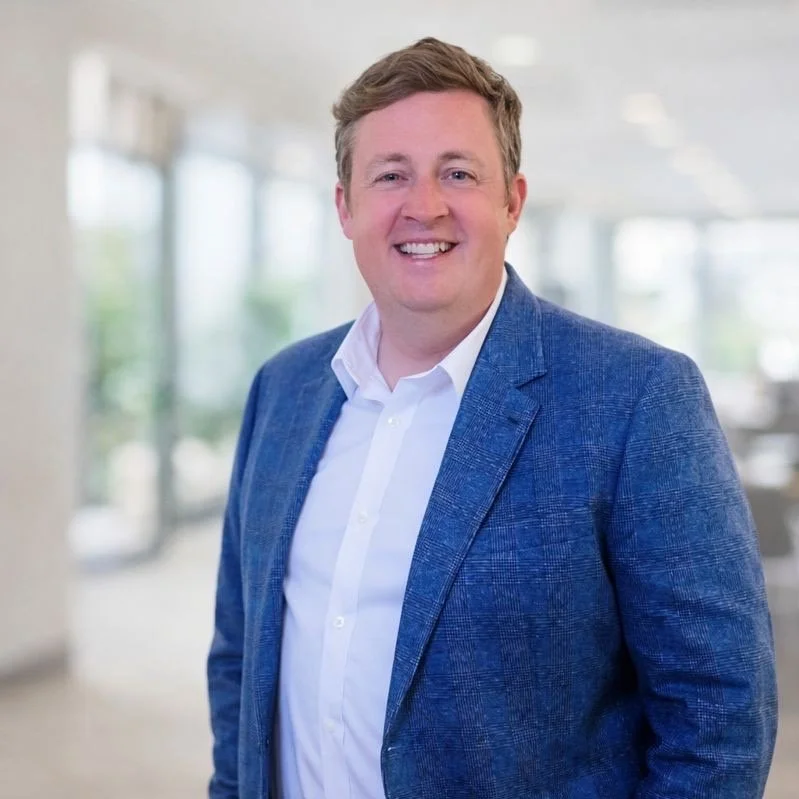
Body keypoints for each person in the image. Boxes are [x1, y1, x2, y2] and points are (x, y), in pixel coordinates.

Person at [207, 37, 778, 799]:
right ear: (345, 206)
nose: (424, 205)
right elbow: (239, 660)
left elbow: (718, 716)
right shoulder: (283, 391)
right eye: (390, 175)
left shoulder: (636, 397)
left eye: (457, 172)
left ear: (512, 200)